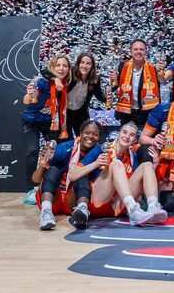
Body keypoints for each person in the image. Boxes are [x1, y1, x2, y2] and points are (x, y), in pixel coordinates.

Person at [79, 122, 167, 226]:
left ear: (135, 140)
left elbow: (141, 188)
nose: (127, 137)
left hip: (119, 205)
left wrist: (155, 164)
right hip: (99, 201)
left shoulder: (133, 157)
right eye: (124, 132)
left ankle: (153, 207)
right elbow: (73, 174)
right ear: (118, 134)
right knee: (116, 163)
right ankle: (132, 208)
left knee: (147, 165)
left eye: (132, 135)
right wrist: (95, 164)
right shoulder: (101, 149)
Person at [32, 121, 103, 231]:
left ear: (99, 138)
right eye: (87, 133)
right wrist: (44, 162)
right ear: (80, 133)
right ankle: (46, 212)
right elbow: (35, 180)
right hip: (55, 197)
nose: (91, 137)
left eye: (95, 134)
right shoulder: (63, 148)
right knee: (52, 170)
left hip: (74, 200)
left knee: (82, 175)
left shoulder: (99, 153)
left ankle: (82, 212)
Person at [22, 54, 71, 205]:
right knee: (33, 151)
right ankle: (30, 189)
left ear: (69, 69)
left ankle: (51, 185)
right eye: (58, 65)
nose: (61, 69)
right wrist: (29, 96)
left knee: (56, 153)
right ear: (52, 67)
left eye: (64, 66)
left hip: (52, 124)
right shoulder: (43, 82)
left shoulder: (67, 83)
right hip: (32, 122)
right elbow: (27, 100)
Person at [43, 52, 106, 138]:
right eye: (82, 62)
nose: (85, 66)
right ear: (78, 63)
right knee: (66, 140)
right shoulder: (70, 73)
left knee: (84, 139)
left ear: (92, 66)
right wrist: (55, 79)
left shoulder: (95, 79)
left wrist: (108, 99)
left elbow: (99, 95)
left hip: (80, 112)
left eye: (88, 63)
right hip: (65, 112)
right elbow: (45, 71)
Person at [111, 39, 161, 128]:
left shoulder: (153, 70)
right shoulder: (122, 67)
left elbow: (158, 92)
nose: (139, 52)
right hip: (127, 113)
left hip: (146, 114)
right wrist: (113, 80)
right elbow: (114, 88)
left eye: (141, 49)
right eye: (135, 49)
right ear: (131, 51)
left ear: (146, 52)